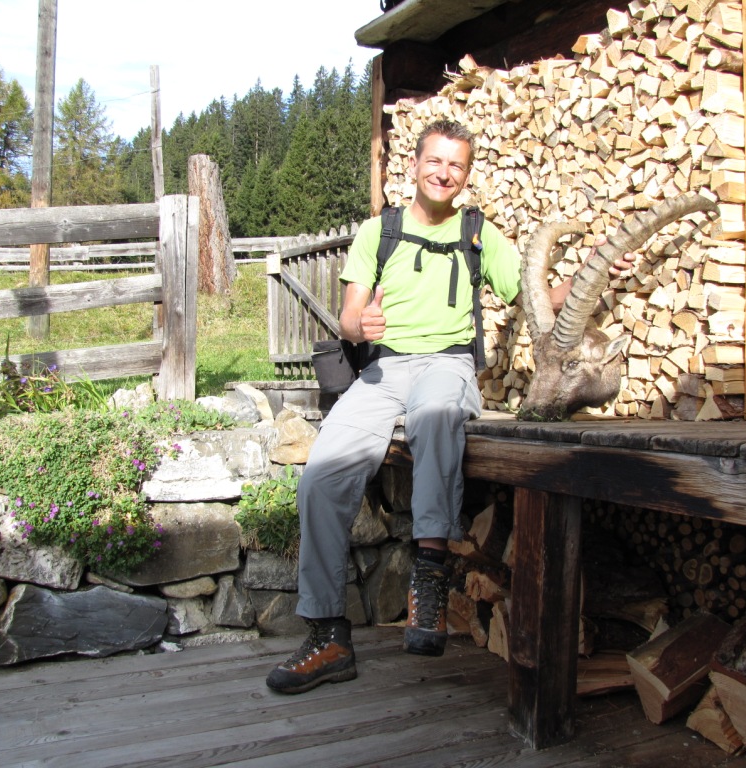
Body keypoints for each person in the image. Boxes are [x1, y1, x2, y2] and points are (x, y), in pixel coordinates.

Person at [265, 118, 635, 694]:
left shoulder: (479, 234)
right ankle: (327, 636)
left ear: (466, 175)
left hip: (447, 364)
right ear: (414, 165)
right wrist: (360, 325)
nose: (443, 173)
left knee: (437, 417)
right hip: (381, 371)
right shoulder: (378, 231)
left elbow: (536, 298)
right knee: (320, 475)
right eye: (434, 161)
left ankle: (430, 575)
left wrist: (597, 271)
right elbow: (348, 316)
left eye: (455, 165)